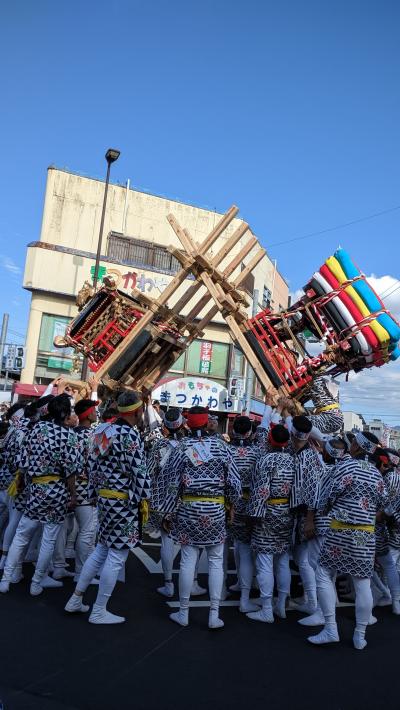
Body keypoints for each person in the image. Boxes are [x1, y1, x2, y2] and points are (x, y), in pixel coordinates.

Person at [65, 391, 150, 624]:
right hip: (123, 502)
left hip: (103, 500)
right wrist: (146, 499)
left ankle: (76, 598)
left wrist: (94, 494)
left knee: (101, 549)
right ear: (136, 411)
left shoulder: (101, 430)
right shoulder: (130, 435)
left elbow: (90, 466)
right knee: (116, 555)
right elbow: (139, 472)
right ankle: (99, 609)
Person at [153, 406, 241, 629]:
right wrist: (231, 505)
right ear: (206, 422)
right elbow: (235, 482)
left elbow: (171, 483)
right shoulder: (222, 446)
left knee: (187, 561)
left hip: (189, 509)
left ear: (188, 423)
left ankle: (183, 612)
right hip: (215, 510)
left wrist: (168, 511)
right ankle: (214, 615)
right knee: (215, 562)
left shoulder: (182, 447)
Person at [308, 431, 387, 650]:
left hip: (340, 531)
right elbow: (383, 503)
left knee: (323, 574)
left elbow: (326, 497)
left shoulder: (344, 467)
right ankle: (360, 636)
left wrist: (325, 511)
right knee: (362, 583)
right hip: (365, 534)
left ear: (358, 447)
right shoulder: (376, 474)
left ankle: (331, 629)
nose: (350, 444)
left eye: (353, 442)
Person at [0, 394, 81, 595]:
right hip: (57, 491)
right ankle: (36, 583)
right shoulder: (69, 435)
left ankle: (6, 579)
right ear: (63, 413)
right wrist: (73, 495)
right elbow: (71, 471)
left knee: (22, 534)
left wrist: (19, 482)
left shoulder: (35, 428)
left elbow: (23, 460)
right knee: (48, 539)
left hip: (34, 489)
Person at [246, 424, 295, 622]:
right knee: (282, 560)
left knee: (265, 561)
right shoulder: (293, 460)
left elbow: (261, 491)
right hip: (287, 513)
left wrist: (253, 515)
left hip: (267, 513)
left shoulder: (265, 460)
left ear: (270, 440)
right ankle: (281, 604)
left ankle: (266, 608)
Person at [289, 415, 323, 616]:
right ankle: (310, 599)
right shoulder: (304, 452)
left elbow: (313, 490)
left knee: (306, 561)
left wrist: (309, 520)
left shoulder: (308, 456)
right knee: (303, 560)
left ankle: (313, 602)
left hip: (306, 514)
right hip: (302, 513)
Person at [228, 415, 262, 613]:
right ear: (250, 432)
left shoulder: (227, 451)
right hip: (251, 504)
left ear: (234, 431)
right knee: (246, 550)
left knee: (239, 547)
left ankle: (242, 585)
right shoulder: (258, 452)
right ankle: (244, 596)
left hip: (232, 504)